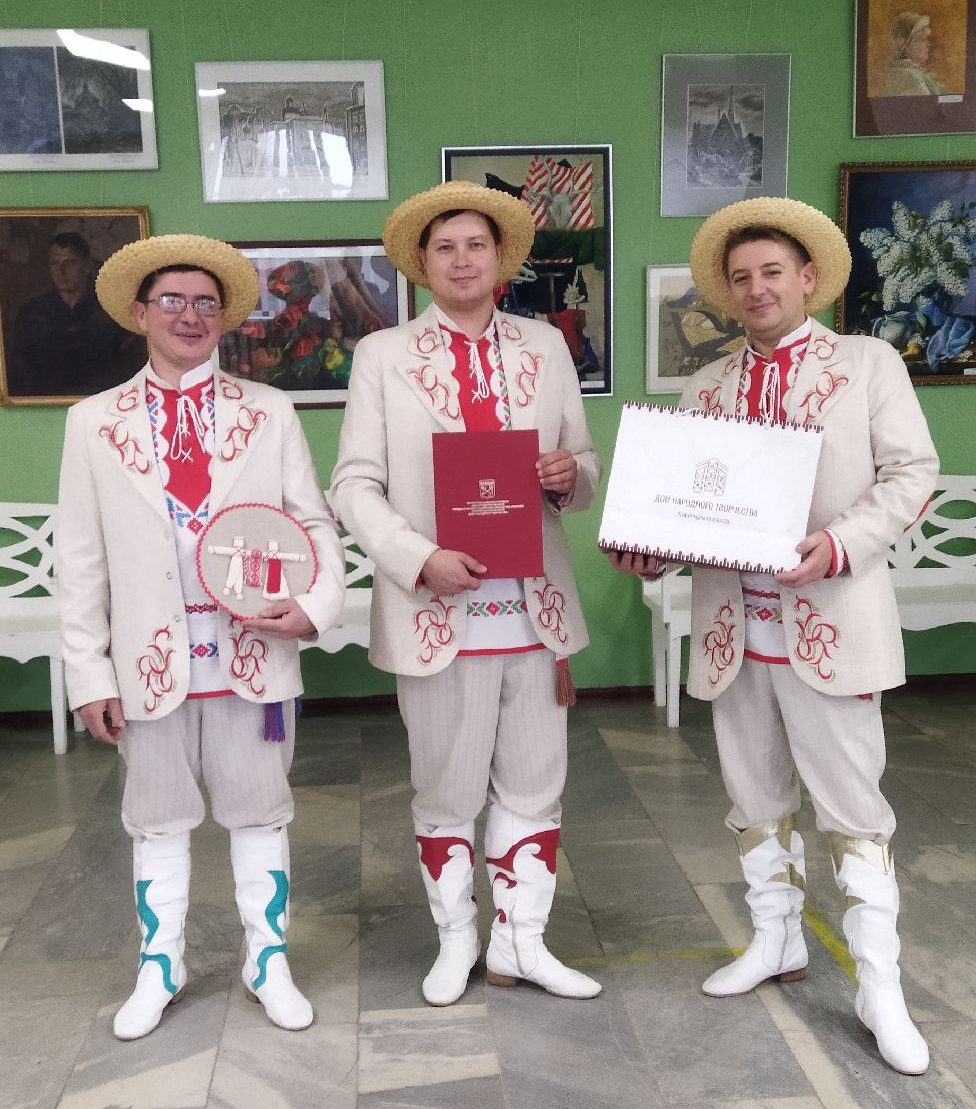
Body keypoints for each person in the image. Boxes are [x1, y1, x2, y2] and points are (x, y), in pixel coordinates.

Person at [608, 197, 938, 1075]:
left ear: (808, 278)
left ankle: (880, 986)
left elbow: (912, 474)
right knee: (754, 796)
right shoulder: (705, 387)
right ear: (727, 292)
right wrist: (650, 550)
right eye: (741, 277)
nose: (757, 289)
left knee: (853, 807)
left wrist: (839, 542)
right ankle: (777, 939)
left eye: (772, 272)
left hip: (832, 621)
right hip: (733, 627)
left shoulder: (866, 364)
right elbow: (688, 509)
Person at [56, 234, 346, 1041]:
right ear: (140, 312)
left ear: (224, 316)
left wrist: (314, 605)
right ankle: (161, 965)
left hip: (253, 650)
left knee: (261, 812)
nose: (189, 315)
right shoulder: (93, 423)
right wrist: (90, 674)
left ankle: (267, 960)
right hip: (147, 661)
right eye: (173, 301)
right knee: (156, 817)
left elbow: (314, 524)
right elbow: (79, 561)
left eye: (205, 303)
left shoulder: (269, 411)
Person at [330, 181, 602, 1005]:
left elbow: (585, 465)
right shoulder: (383, 356)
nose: (460, 260)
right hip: (434, 610)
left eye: (475, 245)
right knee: (446, 786)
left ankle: (523, 942)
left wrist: (569, 475)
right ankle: (456, 939)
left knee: (535, 781)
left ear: (500, 257)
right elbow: (352, 485)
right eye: (443, 247)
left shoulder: (544, 347)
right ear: (422, 263)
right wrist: (416, 559)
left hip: (534, 610)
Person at [4, 231, 145, 398]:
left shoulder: (109, 311)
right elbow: (19, 372)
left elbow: (129, 368)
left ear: (86, 267)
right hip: (44, 402)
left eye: (70, 263)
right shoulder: (32, 314)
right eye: (54, 263)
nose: (61, 271)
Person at [879, 11, 946, 96]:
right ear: (906, 46)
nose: (928, 44)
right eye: (922, 39)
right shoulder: (909, 77)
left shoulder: (914, 73)